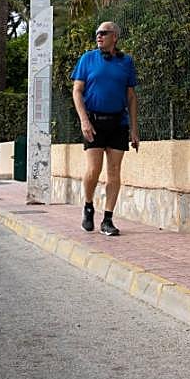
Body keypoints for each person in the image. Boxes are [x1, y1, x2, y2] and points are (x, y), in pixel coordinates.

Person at [71, 21, 139, 236]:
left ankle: (107, 219)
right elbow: (77, 91)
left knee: (114, 172)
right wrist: (84, 120)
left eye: (104, 33)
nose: (99, 36)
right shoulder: (87, 59)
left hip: (118, 122)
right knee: (93, 170)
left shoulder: (126, 62)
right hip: (94, 122)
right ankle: (88, 206)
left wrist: (134, 129)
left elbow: (131, 96)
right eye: (97, 33)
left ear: (115, 37)